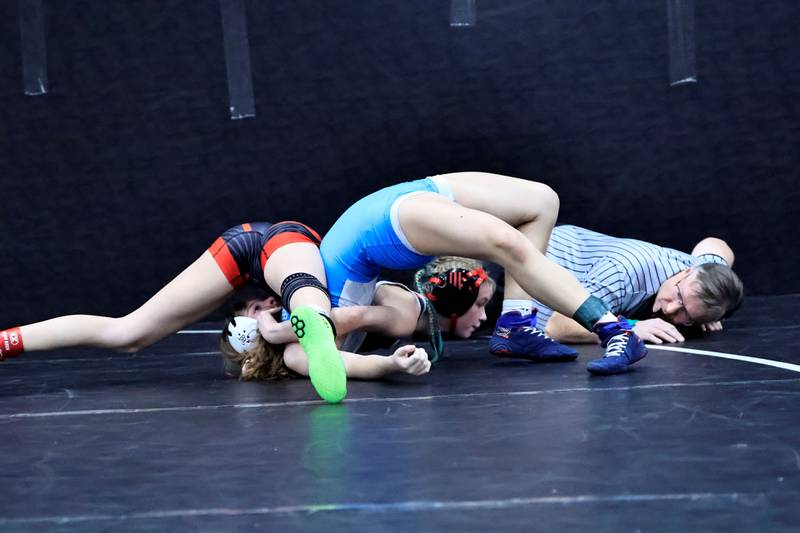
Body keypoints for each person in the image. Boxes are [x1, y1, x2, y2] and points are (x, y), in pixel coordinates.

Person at [318, 172, 649, 375]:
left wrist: (276, 330)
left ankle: (522, 325)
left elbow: (325, 328)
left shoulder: (302, 326)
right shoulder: (311, 342)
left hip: (384, 221)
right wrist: (389, 365)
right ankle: (610, 329)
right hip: (386, 213)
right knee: (524, 223)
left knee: (530, 217)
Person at [0, 221, 355, 403]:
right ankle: (4, 343)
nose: (264, 309)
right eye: (255, 311)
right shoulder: (301, 296)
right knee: (128, 333)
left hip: (263, 249)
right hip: (275, 245)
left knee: (127, 334)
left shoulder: (291, 328)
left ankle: (5, 342)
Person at [523, 225, 744, 345]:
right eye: (678, 296)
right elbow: (557, 326)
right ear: (686, 273)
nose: (669, 309)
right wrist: (629, 328)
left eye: (685, 313)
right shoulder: (624, 273)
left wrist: (708, 312)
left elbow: (716, 244)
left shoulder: (702, 272)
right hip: (526, 263)